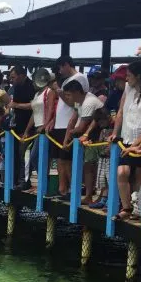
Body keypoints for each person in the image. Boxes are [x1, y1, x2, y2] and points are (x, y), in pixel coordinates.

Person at [110, 60, 141, 220]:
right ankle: (126, 206)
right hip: (126, 137)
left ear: (138, 76)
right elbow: (120, 111)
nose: (126, 79)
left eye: (129, 76)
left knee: (139, 176)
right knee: (122, 172)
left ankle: (138, 208)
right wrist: (115, 132)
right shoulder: (128, 88)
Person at [62, 79, 106, 206]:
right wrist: (66, 140)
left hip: (98, 136)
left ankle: (91, 196)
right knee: (89, 167)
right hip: (89, 137)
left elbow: (80, 128)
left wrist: (69, 135)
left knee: (94, 167)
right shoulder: (79, 102)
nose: (67, 98)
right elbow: (72, 121)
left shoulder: (88, 102)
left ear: (76, 92)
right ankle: (89, 194)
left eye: (69, 95)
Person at [52, 55, 89, 198]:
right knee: (60, 159)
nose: (60, 71)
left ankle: (73, 190)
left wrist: (59, 92)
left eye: (61, 67)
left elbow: (75, 103)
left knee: (67, 160)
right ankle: (63, 189)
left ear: (67, 65)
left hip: (70, 123)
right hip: (59, 124)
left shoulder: (80, 78)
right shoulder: (67, 80)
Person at [21, 69, 56, 192]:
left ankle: (44, 184)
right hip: (36, 128)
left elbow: (51, 109)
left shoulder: (49, 91)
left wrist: (45, 125)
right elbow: (34, 113)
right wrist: (27, 130)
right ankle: (38, 183)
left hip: (44, 130)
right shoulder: (36, 94)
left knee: (36, 156)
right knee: (32, 156)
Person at [7, 66, 35, 189]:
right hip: (16, 126)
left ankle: (25, 181)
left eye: (13, 77)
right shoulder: (15, 88)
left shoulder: (32, 86)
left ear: (22, 75)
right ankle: (15, 179)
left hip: (29, 126)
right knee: (16, 154)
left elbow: (33, 106)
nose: (11, 79)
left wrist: (17, 105)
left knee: (25, 155)